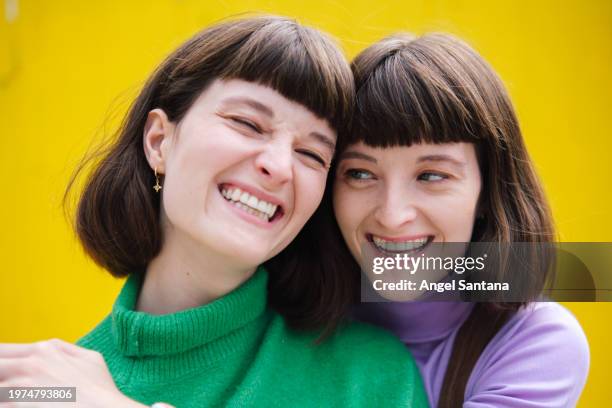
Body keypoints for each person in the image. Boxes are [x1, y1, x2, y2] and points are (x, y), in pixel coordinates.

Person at [0, 17, 428, 408]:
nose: (279, 166)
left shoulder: (370, 378)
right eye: (247, 123)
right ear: (158, 141)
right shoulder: (48, 387)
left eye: (312, 154)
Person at [332, 33, 590, 407]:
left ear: (488, 190)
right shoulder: (277, 316)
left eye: (432, 175)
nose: (392, 215)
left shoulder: (535, 340)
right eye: (359, 174)